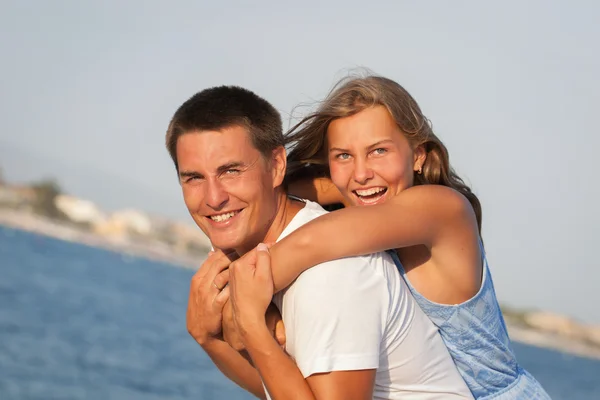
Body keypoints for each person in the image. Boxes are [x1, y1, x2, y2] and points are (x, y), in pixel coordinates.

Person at [225, 74, 551, 399]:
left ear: (419, 155)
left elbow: (311, 241)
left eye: (378, 150)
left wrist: (240, 307)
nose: (362, 172)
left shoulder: (442, 209)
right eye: (343, 155)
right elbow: (273, 197)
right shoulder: (367, 194)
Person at [166, 85, 473, 399]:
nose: (214, 198)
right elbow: (284, 389)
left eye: (231, 171)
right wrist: (210, 338)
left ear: (276, 166)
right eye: (194, 178)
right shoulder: (313, 223)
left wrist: (248, 315)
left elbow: (311, 242)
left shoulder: (333, 272)